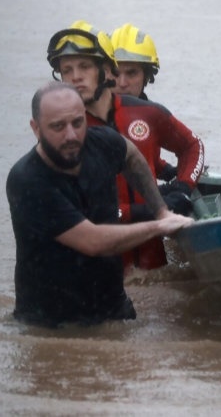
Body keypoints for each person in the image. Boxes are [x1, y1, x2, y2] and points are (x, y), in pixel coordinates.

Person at [6, 82, 193, 328]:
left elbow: (131, 155)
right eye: (58, 127)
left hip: (113, 309)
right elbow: (93, 242)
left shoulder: (103, 142)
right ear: (36, 128)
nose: (71, 135)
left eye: (77, 122)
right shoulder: (27, 180)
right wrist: (160, 226)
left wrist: (160, 209)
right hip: (51, 324)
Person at [47, 21, 205, 270]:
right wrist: (149, 211)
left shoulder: (147, 113)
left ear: (106, 70)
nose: (75, 77)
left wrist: (183, 188)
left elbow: (192, 145)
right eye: (67, 70)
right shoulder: (61, 134)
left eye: (85, 67)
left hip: (154, 266)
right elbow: (73, 213)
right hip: (100, 274)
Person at [109, 22, 181, 183]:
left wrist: (171, 173)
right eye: (115, 73)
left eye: (131, 73)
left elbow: (147, 156)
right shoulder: (86, 118)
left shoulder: (150, 114)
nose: (122, 83)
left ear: (146, 76)